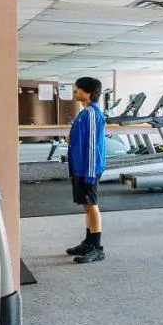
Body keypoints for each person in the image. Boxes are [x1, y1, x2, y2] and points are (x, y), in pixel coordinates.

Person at [66, 76, 107, 264]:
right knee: (87, 206)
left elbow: (92, 146)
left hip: (88, 169)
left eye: (78, 88)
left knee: (92, 206)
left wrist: (89, 174)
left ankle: (97, 248)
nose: (75, 91)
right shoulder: (85, 113)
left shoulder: (90, 113)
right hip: (81, 167)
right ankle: (89, 243)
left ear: (88, 92)